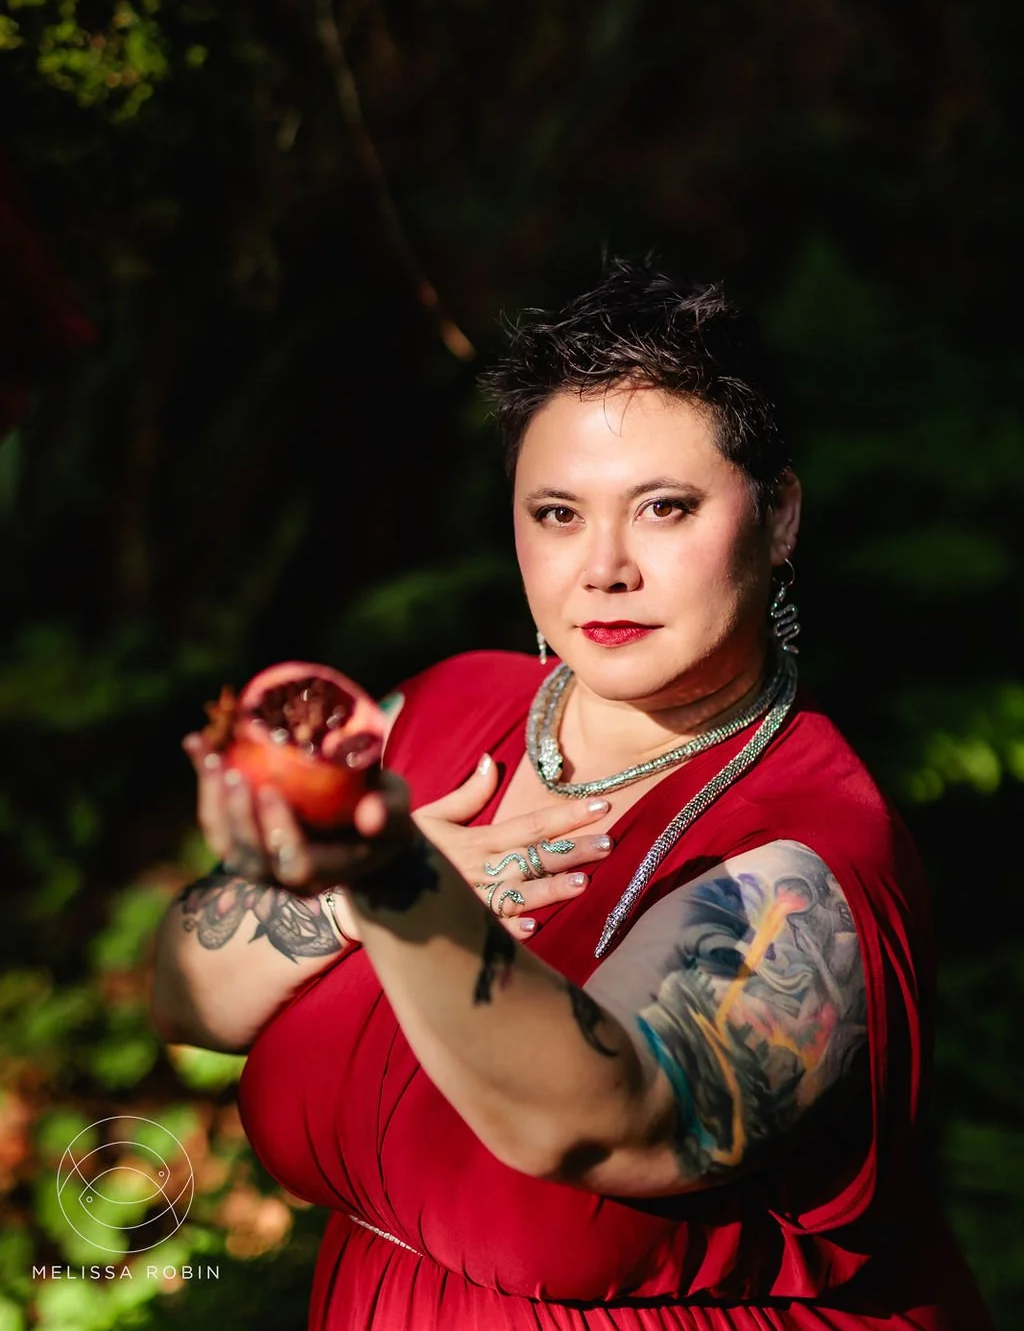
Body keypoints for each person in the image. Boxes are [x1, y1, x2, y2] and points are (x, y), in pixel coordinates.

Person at [149, 257, 994, 1330]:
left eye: (663, 508)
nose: (603, 567)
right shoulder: (446, 711)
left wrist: (394, 881)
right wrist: (338, 897)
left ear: (778, 517)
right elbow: (185, 996)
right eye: (556, 513)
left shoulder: (808, 853)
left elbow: (602, 1121)